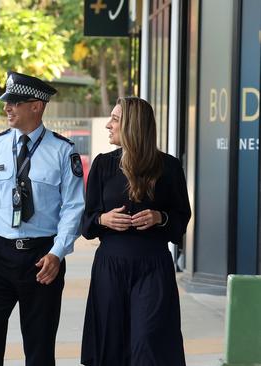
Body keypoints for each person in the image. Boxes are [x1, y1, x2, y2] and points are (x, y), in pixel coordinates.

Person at [0, 71, 85, 366]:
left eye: (15, 102)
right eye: (7, 102)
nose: (8, 108)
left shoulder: (62, 151)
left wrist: (57, 253)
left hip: (42, 258)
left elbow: (74, 208)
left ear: (37, 106)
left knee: (40, 346)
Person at [80, 97, 191, 366]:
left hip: (153, 267)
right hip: (110, 266)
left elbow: (181, 218)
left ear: (133, 125)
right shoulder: (103, 165)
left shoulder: (169, 166)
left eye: (115, 119)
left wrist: (160, 217)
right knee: (111, 344)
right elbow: (86, 223)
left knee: (148, 344)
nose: (108, 125)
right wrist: (103, 219)